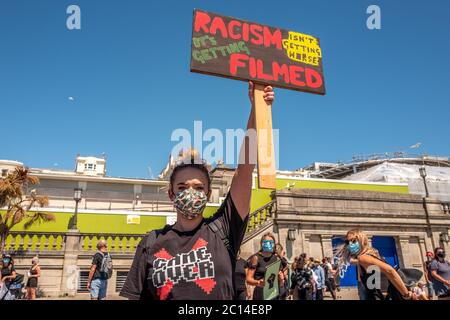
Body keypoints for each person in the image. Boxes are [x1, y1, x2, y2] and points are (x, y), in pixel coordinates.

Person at [120, 82, 275, 300]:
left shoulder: (223, 229)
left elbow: (244, 169)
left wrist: (257, 108)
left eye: (199, 187)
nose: (191, 192)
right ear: (171, 194)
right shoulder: (151, 243)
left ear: (209, 193)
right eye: (182, 187)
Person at [337, 229, 415, 300]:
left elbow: (390, 271)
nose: (350, 244)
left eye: (353, 241)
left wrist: (406, 295)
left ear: (361, 240)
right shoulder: (372, 254)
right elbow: (378, 282)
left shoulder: (363, 257)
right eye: (348, 242)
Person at [246, 233, 287, 300]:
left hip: (273, 293)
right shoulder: (256, 258)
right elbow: (248, 279)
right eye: (266, 242)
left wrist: (281, 279)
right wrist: (258, 282)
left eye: (271, 242)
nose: (268, 244)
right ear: (261, 243)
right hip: (260, 293)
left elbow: (280, 279)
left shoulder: (276, 258)